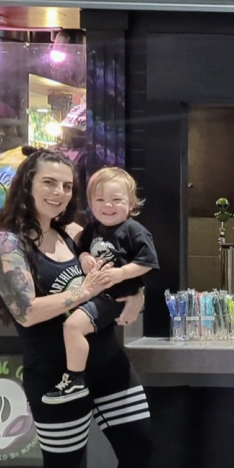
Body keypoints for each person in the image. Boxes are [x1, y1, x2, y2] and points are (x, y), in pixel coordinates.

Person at [0, 147, 166, 468]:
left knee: (139, 448)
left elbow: (121, 274)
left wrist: (136, 297)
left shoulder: (74, 232)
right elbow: (26, 312)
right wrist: (82, 292)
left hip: (108, 365)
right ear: (27, 183)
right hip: (55, 375)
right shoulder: (7, 243)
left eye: (66, 185)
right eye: (49, 183)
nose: (59, 193)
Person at [43, 168, 158, 404]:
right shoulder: (92, 229)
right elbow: (82, 247)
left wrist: (121, 274)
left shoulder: (134, 230)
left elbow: (147, 262)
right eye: (100, 200)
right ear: (91, 204)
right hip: (97, 296)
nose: (108, 206)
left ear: (131, 204)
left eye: (117, 200)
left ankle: (74, 379)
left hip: (113, 297)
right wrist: (84, 257)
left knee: (72, 327)